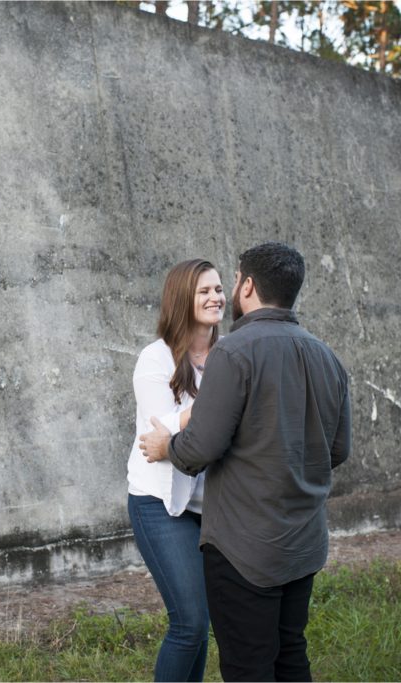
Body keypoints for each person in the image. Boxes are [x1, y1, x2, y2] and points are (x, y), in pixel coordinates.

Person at [139, 242, 351, 682]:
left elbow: (198, 449)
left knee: (247, 665)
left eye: (229, 282)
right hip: (304, 540)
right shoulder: (328, 356)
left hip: (244, 547)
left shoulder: (233, 353)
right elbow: (337, 450)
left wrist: (169, 448)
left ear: (248, 285)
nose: (224, 293)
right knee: (291, 652)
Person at [126, 258, 226, 682]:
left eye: (219, 289)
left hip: (212, 505)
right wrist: (217, 405)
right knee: (188, 622)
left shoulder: (227, 353)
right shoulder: (156, 358)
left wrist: (199, 413)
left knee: (199, 625)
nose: (216, 297)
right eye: (204, 291)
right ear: (182, 299)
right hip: (159, 503)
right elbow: (161, 438)